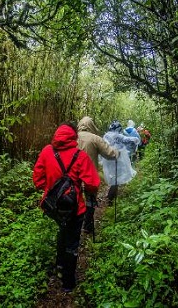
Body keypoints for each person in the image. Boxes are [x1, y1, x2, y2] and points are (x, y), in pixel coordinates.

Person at [32, 122, 100, 293]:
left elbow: (38, 180)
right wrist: (80, 188)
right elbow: (92, 183)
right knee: (72, 241)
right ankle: (68, 282)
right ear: (74, 137)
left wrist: (52, 189)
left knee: (62, 231)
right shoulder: (80, 156)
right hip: (75, 208)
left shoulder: (47, 151)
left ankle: (60, 266)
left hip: (54, 207)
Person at [76, 116, 119, 235]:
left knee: (75, 197)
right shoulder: (95, 138)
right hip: (89, 174)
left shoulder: (72, 137)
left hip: (73, 175)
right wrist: (118, 152)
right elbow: (109, 153)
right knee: (90, 200)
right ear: (91, 125)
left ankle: (76, 224)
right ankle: (87, 225)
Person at [101, 120, 138, 202]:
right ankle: (110, 198)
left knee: (113, 177)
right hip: (116, 159)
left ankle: (111, 196)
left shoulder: (106, 135)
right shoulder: (117, 136)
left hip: (108, 159)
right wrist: (136, 140)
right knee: (116, 179)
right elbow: (127, 139)